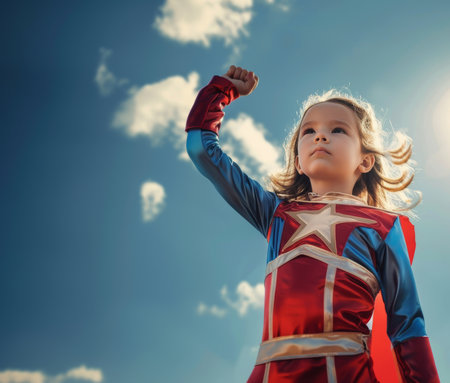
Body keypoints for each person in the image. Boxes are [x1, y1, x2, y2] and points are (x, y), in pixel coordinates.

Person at [185, 65, 440, 382]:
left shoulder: (384, 226)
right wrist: (222, 90)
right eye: (309, 131)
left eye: (338, 130)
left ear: (365, 160)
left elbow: (407, 325)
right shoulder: (276, 214)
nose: (320, 135)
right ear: (297, 161)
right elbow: (201, 149)